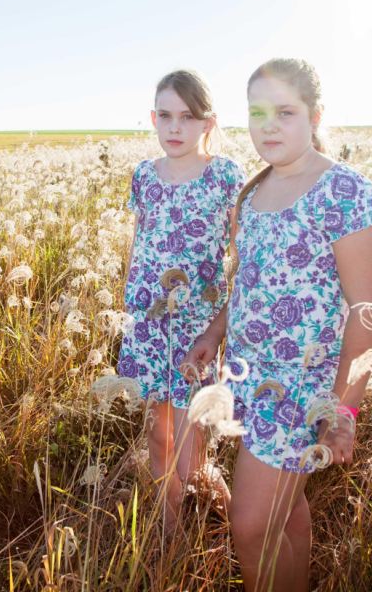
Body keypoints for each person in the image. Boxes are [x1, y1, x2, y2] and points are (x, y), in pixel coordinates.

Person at [183, 58, 372, 591]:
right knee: (285, 511)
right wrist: (213, 334)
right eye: (257, 112)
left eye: (285, 111)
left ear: (316, 116)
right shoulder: (252, 193)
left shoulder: (343, 191)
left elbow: (368, 312)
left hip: (303, 386)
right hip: (249, 377)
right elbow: (247, 286)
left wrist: (344, 407)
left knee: (249, 527)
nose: (268, 125)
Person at [118, 69, 246, 533]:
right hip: (149, 324)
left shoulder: (225, 175)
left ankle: (234, 527)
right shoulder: (143, 177)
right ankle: (168, 536)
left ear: (207, 123)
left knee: (192, 454)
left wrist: (223, 324)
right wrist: (129, 307)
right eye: (166, 116)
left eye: (187, 117)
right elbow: (140, 242)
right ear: (153, 118)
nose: (175, 128)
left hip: (197, 328)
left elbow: (242, 252)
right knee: (158, 435)